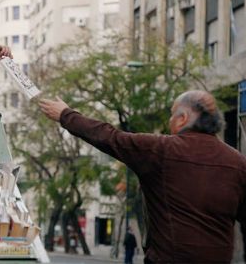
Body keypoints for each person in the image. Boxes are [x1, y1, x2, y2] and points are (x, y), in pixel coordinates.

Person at [39, 91, 246, 263]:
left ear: (183, 119)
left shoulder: (162, 150)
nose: (169, 120)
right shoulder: (238, 163)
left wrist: (66, 115)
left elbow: (109, 137)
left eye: (172, 114)